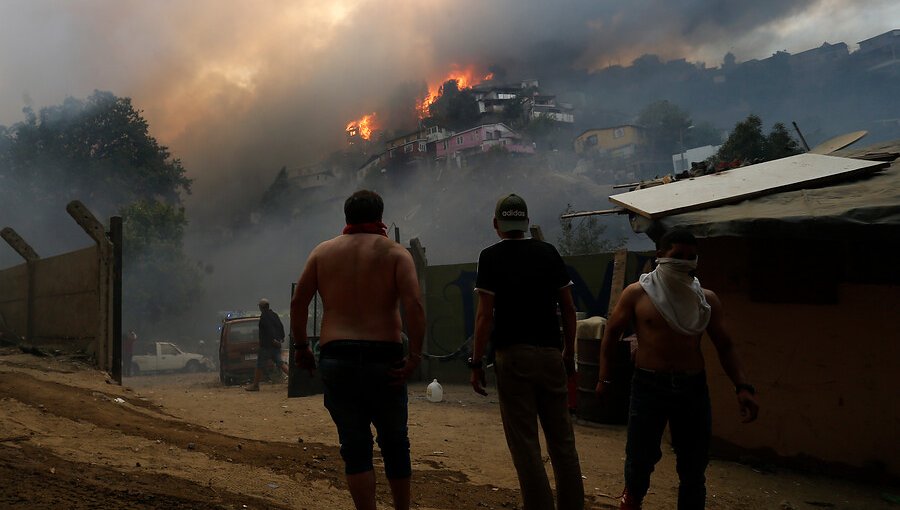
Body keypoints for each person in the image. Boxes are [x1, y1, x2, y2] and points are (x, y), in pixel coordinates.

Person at [596, 228, 759, 510]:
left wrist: (743, 387)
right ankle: (631, 501)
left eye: (691, 257)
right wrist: (604, 379)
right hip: (648, 387)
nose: (684, 261)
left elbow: (726, 346)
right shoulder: (637, 294)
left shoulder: (705, 301)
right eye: (677, 256)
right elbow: (611, 335)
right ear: (660, 256)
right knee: (639, 461)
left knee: (693, 467)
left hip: (692, 388)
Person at [291, 189, 425, 510]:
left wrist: (301, 348)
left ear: (346, 217)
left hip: (338, 359)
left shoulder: (323, 253)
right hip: (385, 358)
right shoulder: (395, 254)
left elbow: (299, 302)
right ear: (380, 217)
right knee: (394, 442)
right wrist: (415, 357)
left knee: (355, 445)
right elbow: (414, 305)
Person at [470, 193, 585, 510]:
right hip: (550, 355)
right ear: (524, 222)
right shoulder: (548, 253)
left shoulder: (490, 258)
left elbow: (484, 316)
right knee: (563, 444)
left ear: (497, 224)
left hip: (513, 357)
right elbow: (569, 308)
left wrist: (476, 361)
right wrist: (568, 352)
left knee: (525, 446)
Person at [245, 298, 288, 391]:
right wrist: (281, 339)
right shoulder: (275, 315)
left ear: (261, 307)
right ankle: (294, 380)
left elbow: (269, 329)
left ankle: (255, 385)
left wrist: (272, 340)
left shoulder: (264, 316)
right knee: (280, 363)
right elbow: (280, 327)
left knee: (259, 365)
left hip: (266, 346)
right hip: (276, 346)